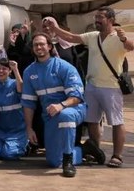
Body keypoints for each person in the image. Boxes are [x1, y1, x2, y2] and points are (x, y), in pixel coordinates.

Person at [44, 9, 133, 168]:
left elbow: (131, 47)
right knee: (92, 121)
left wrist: (124, 38)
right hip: (92, 86)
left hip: (111, 87)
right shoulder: (93, 36)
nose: (97, 20)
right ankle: (96, 151)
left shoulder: (118, 37)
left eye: (101, 17)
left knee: (116, 122)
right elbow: (71, 37)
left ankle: (117, 156)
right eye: (96, 17)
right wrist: (55, 28)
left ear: (111, 19)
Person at [21, 32, 104, 177]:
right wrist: (29, 128)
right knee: (53, 161)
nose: (39, 47)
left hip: (73, 109)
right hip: (51, 115)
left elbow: (77, 97)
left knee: (65, 116)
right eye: (35, 45)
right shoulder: (29, 72)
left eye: (42, 44)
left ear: (49, 47)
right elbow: (28, 102)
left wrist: (61, 105)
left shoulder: (64, 67)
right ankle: (84, 150)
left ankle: (68, 163)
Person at [0, 59, 26, 160]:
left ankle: (25, 145)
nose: (1, 71)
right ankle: (5, 144)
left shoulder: (15, 83)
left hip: (17, 129)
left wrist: (16, 69)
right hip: (0, 129)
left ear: (9, 71)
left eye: (4, 69)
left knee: (8, 154)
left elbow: (22, 89)